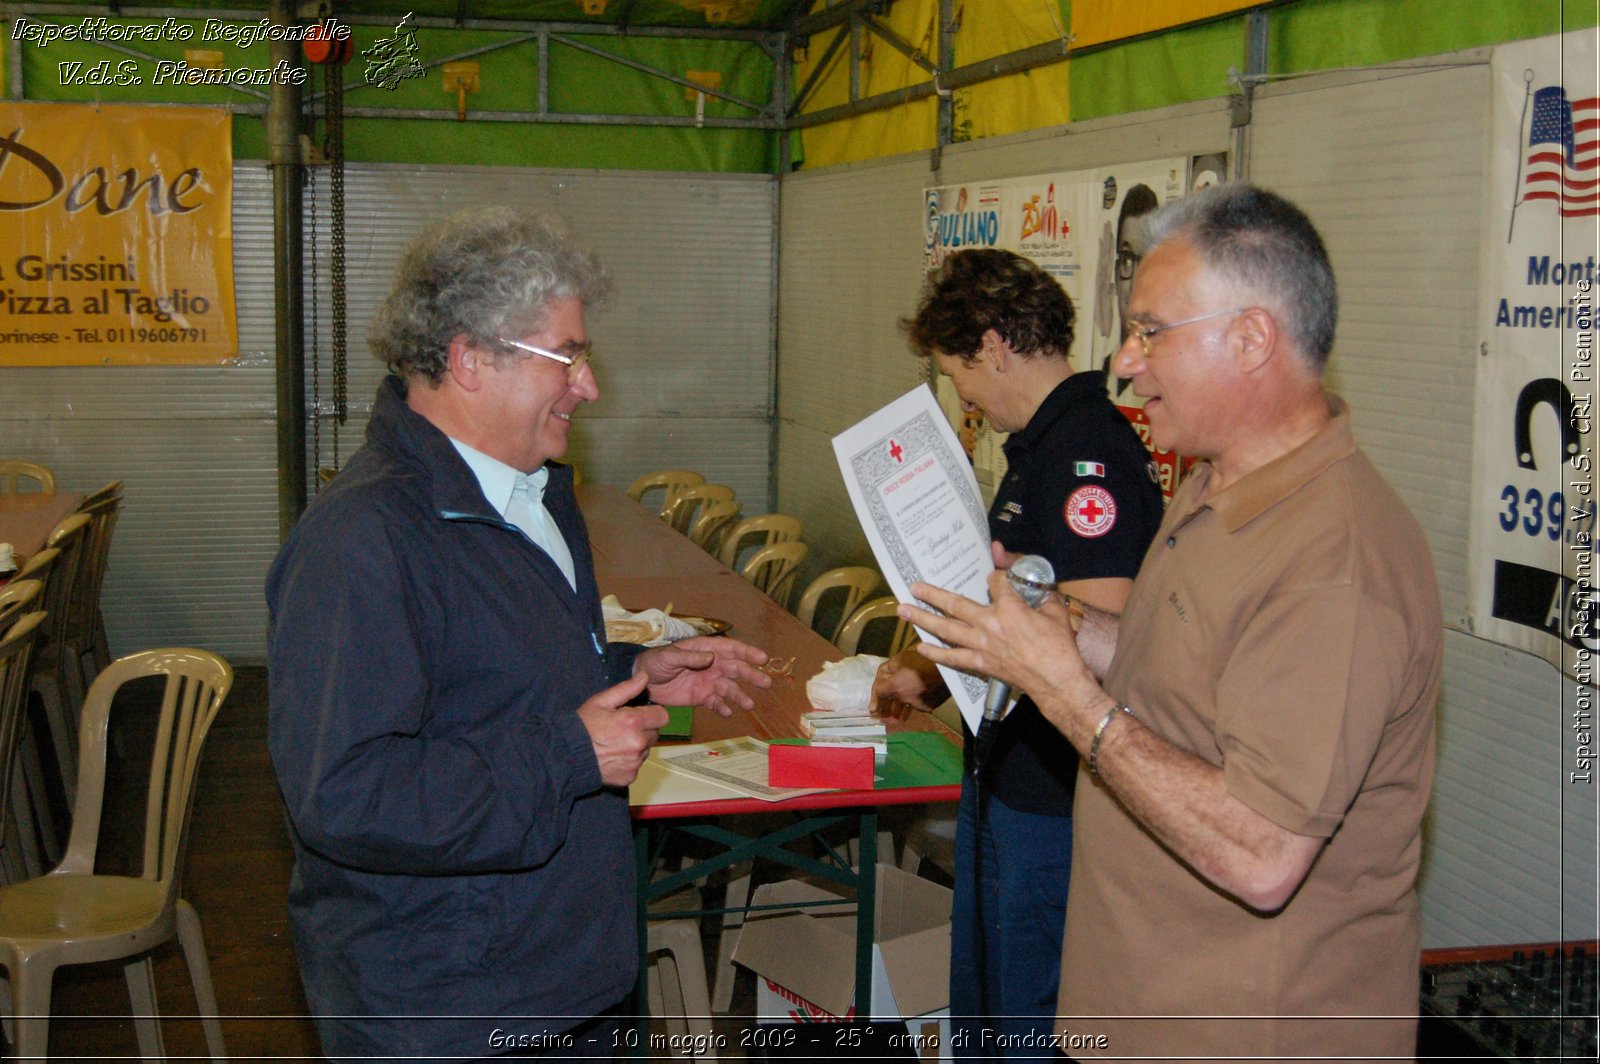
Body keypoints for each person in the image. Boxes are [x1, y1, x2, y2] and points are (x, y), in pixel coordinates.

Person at [900, 184, 1442, 1061]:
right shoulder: (1214, 486)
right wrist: (1048, 624)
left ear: (1253, 338)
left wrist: (1062, 690)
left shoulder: (1335, 561)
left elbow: (1263, 852)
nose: (1124, 360)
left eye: (1152, 330)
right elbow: (1161, 659)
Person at [266, 206, 771, 1063]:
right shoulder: (364, 540)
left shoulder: (527, 497)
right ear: (470, 359)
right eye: (567, 356)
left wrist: (639, 672)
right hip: (448, 1004)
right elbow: (344, 793)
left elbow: (489, 681)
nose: (590, 384)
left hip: (554, 970)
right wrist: (571, 756)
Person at [872, 248, 1163, 1058]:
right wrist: (929, 673)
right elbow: (1019, 608)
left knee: (1028, 1018)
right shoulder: (1039, 446)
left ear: (993, 345)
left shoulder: (1085, 456)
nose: (960, 395)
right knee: (987, 1007)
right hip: (1006, 768)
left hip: (1052, 793)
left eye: (955, 372)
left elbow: (1102, 629)